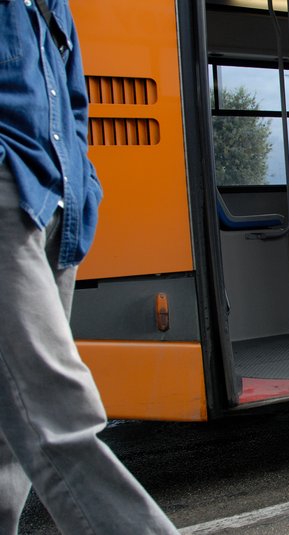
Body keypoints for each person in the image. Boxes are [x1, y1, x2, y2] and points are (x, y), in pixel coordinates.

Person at [0, 2, 178, 533]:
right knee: (59, 415)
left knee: (12, 432)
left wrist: (84, 185)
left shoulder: (57, 7)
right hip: (10, 195)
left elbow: (76, 108)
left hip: (58, 207)